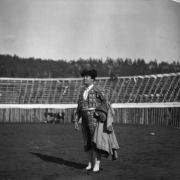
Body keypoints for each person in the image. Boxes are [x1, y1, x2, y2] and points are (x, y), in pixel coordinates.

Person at [73, 69, 119, 175]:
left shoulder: (98, 88)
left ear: (93, 79)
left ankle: (96, 167)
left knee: (95, 143)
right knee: (86, 143)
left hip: (95, 118)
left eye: (87, 76)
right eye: (84, 76)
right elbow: (79, 107)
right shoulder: (81, 91)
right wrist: (76, 119)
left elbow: (106, 102)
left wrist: (100, 112)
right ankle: (90, 164)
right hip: (84, 119)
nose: (85, 78)